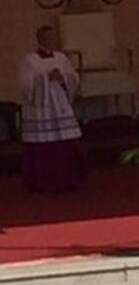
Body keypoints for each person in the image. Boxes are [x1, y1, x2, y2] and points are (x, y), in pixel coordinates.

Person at [18, 26, 84, 192]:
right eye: (48, 38)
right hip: (42, 109)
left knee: (66, 143)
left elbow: (73, 77)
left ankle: (69, 178)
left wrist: (63, 78)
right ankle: (43, 181)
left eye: (53, 37)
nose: (51, 41)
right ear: (40, 39)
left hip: (60, 104)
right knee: (44, 146)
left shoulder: (61, 57)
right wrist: (46, 78)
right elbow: (25, 84)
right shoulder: (29, 60)